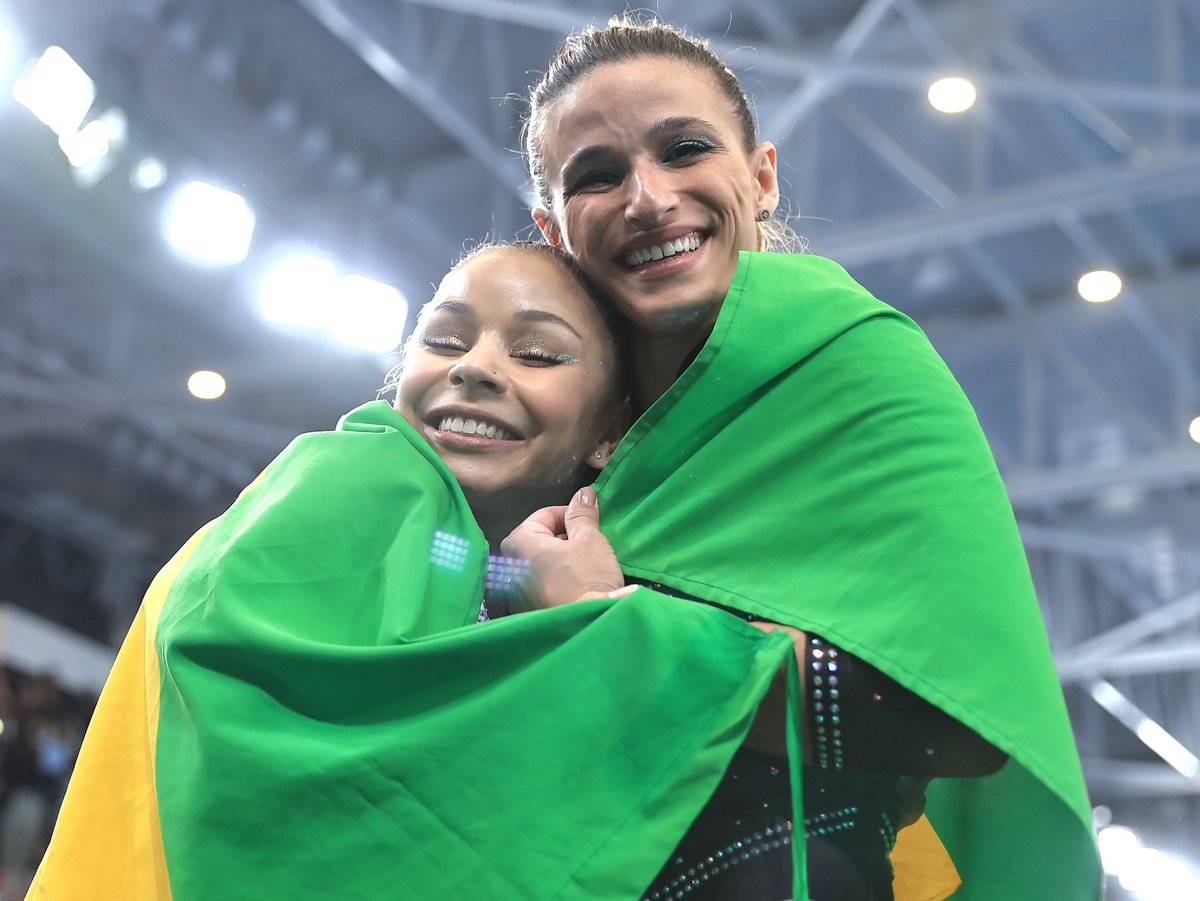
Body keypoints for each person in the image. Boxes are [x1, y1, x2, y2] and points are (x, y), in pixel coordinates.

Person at [502, 15, 1102, 901]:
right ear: (553, 228)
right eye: (597, 175)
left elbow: (951, 719)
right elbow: (435, 582)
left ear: (762, 178)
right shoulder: (538, 417)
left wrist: (612, 627)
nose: (647, 197)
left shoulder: (862, 369)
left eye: (684, 148)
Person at [33, 242, 744, 900]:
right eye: (442, 340)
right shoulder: (360, 474)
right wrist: (594, 627)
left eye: (534, 352)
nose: (474, 366)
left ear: (610, 432)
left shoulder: (451, 553)